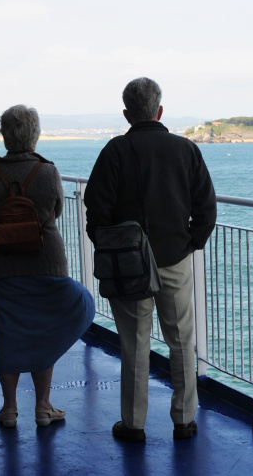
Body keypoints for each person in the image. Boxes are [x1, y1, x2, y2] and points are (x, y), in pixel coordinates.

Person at [84, 77, 217, 442]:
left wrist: (110, 244)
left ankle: (133, 424)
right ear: (160, 110)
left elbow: (96, 208)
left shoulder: (115, 151)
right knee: (180, 340)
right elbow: (206, 207)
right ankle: (185, 420)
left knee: (134, 342)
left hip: (128, 263)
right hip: (174, 257)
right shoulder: (186, 149)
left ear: (127, 114)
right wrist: (190, 243)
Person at [0, 104, 95, 429]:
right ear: (35, 134)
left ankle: (9, 408)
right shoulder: (47, 171)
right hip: (46, 263)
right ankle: (43, 407)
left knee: (8, 332)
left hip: (0, 266)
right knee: (46, 329)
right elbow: (55, 211)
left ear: (4, 136)